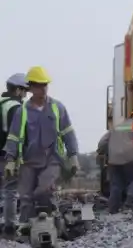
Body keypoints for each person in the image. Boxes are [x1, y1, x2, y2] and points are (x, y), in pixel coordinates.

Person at [3, 66, 78, 223]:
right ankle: (25, 229)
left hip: (52, 159)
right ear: (30, 87)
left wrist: (73, 155)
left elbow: (67, 132)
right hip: (29, 161)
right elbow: (14, 136)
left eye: (45, 85)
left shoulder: (58, 108)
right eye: (38, 85)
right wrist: (10, 159)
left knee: (43, 190)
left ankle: (51, 221)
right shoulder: (22, 110)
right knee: (25, 197)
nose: (42, 89)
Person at [0, 72, 28, 232]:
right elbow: (16, 134)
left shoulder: (2, 102)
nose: (25, 95)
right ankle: (10, 225)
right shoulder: (15, 107)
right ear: (18, 90)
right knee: (11, 189)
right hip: (7, 154)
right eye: (24, 90)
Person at [103, 116, 133, 213]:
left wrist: (106, 152)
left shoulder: (115, 127)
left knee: (116, 184)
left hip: (113, 159)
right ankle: (129, 202)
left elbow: (102, 142)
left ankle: (113, 208)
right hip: (129, 156)